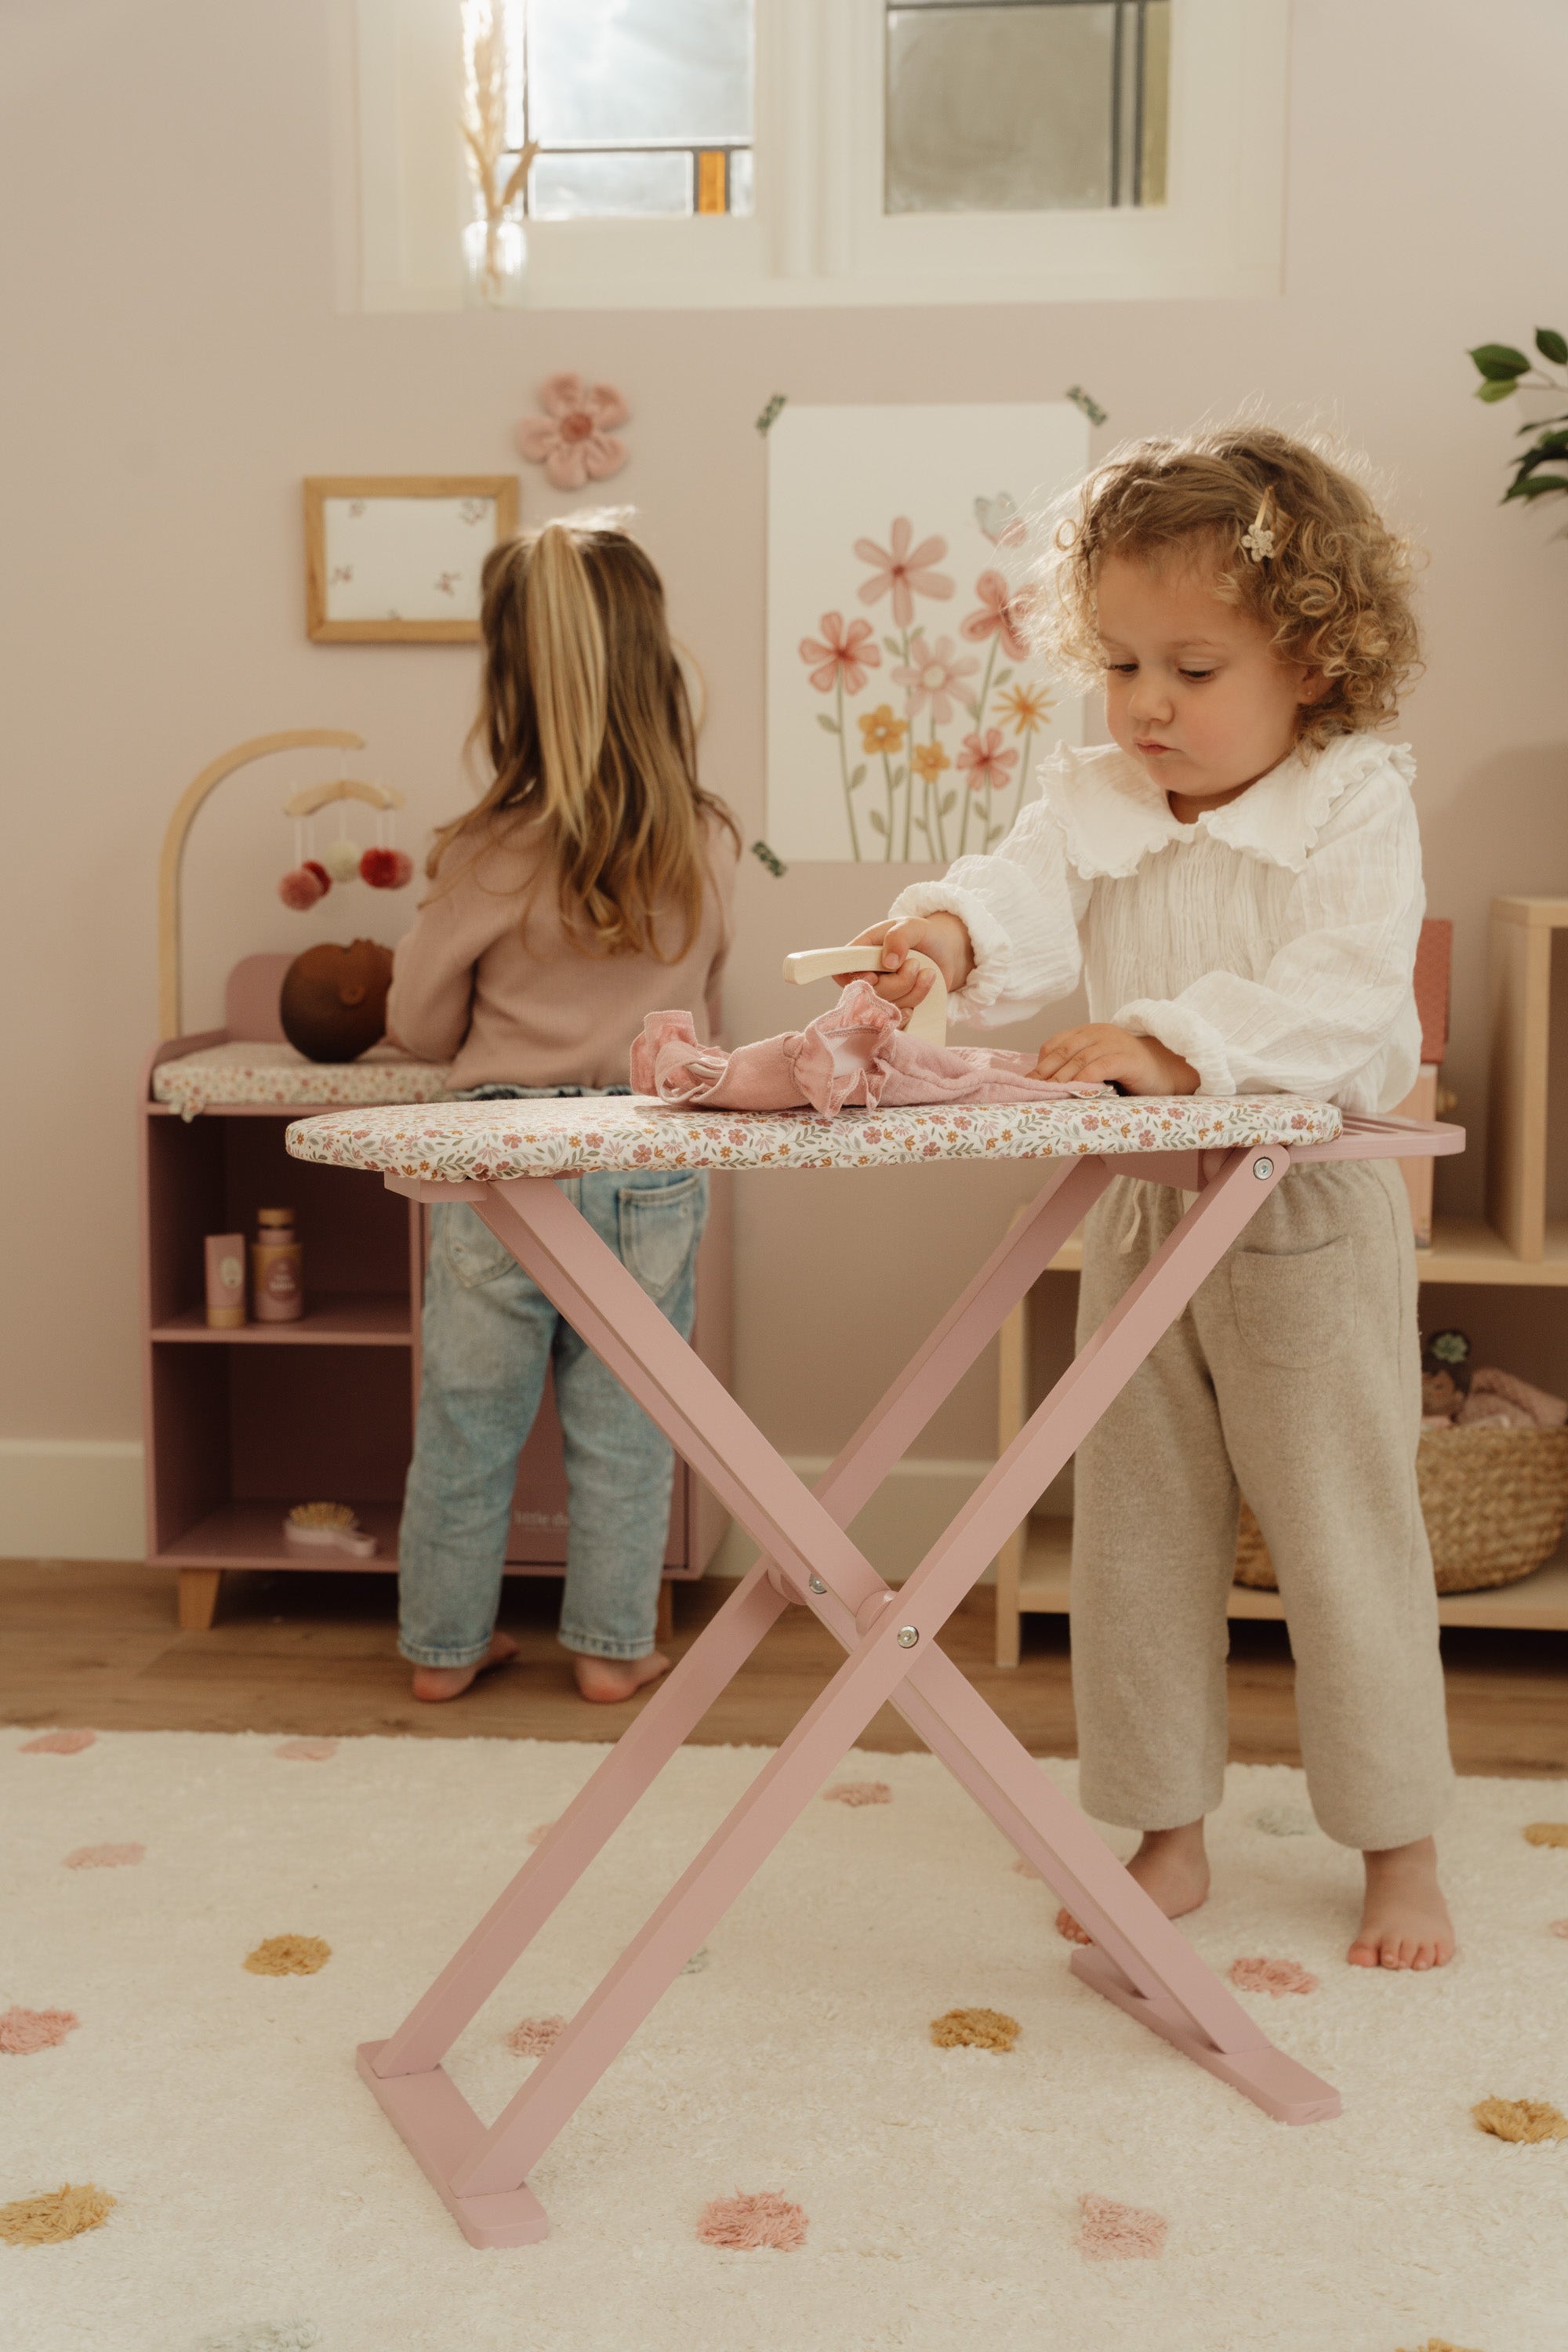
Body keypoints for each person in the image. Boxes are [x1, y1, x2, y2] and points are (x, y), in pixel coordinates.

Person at [848, 425, 1455, 1970]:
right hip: (1139, 1214)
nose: (1148, 706)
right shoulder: (1097, 798)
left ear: (1310, 659)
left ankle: (1396, 1843)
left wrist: (1177, 1042)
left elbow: (1345, 1005)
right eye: (1121, 666)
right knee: (1137, 1535)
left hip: (1302, 1219)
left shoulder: (1351, 802)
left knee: (1340, 1535)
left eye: (1191, 670)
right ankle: (1163, 1831)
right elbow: (1019, 899)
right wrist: (942, 942)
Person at [388, 514, 738, 1705]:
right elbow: (702, 1008)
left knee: (468, 1424)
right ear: (652, 667)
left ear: (507, 682)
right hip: (646, 1159)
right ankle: (611, 1648)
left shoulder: (488, 851)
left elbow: (422, 1027)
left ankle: (442, 1653)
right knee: (630, 1422)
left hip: (499, 1164)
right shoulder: (699, 838)